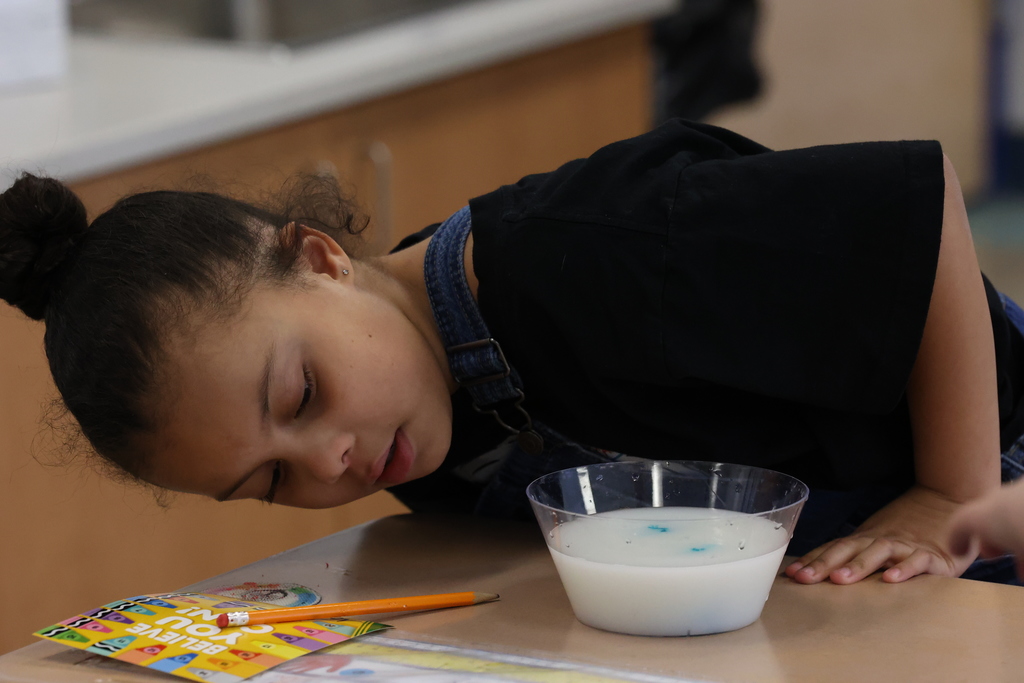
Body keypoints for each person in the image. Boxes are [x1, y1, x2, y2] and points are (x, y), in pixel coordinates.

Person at [1, 119, 1021, 586]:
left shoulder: (585, 251)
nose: (330, 462)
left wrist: (950, 494)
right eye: (267, 478)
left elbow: (914, 206)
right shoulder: (411, 415)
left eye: (303, 393)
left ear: (318, 259)